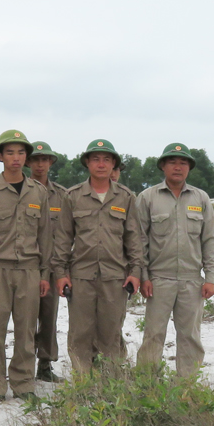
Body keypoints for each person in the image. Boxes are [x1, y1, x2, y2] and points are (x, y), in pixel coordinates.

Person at [53, 138, 142, 376]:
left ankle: (112, 382)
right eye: (95, 159)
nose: (101, 164)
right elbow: (63, 239)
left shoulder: (126, 197)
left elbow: (134, 238)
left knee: (111, 332)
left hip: (115, 277)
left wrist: (135, 272)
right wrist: (61, 274)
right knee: (80, 332)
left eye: (106, 159)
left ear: (114, 164)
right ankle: (84, 381)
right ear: (87, 163)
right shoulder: (73, 196)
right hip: (81, 276)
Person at [0, 130, 52, 403]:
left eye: (21, 153)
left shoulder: (39, 192)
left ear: (27, 157)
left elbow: (45, 237)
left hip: (30, 271)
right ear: (0, 156)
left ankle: (23, 384)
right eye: (10, 152)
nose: (16, 158)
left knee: (26, 330)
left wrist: (44, 275)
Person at [134, 143, 214, 375]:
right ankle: (146, 386)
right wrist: (144, 276)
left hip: (192, 281)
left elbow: (209, 240)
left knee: (190, 337)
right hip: (158, 280)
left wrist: (210, 278)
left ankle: (186, 389)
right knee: (153, 335)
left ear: (189, 168)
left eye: (183, 163)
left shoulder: (201, 198)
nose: (178, 167)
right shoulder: (147, 197)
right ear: (163, 166)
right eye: (172, 162)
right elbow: (139, 242)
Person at [28, 141, 68, 382]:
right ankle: (21, 365)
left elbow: (66, 234)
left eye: (44, 159)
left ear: (51, 162)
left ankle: (45, 365)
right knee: (23, 320)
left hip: (52, 268)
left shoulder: (62, 195)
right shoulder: (23, 190)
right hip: (26, 266)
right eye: (35, 159)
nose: (40, 164)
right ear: (27, 162)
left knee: (49, 318)